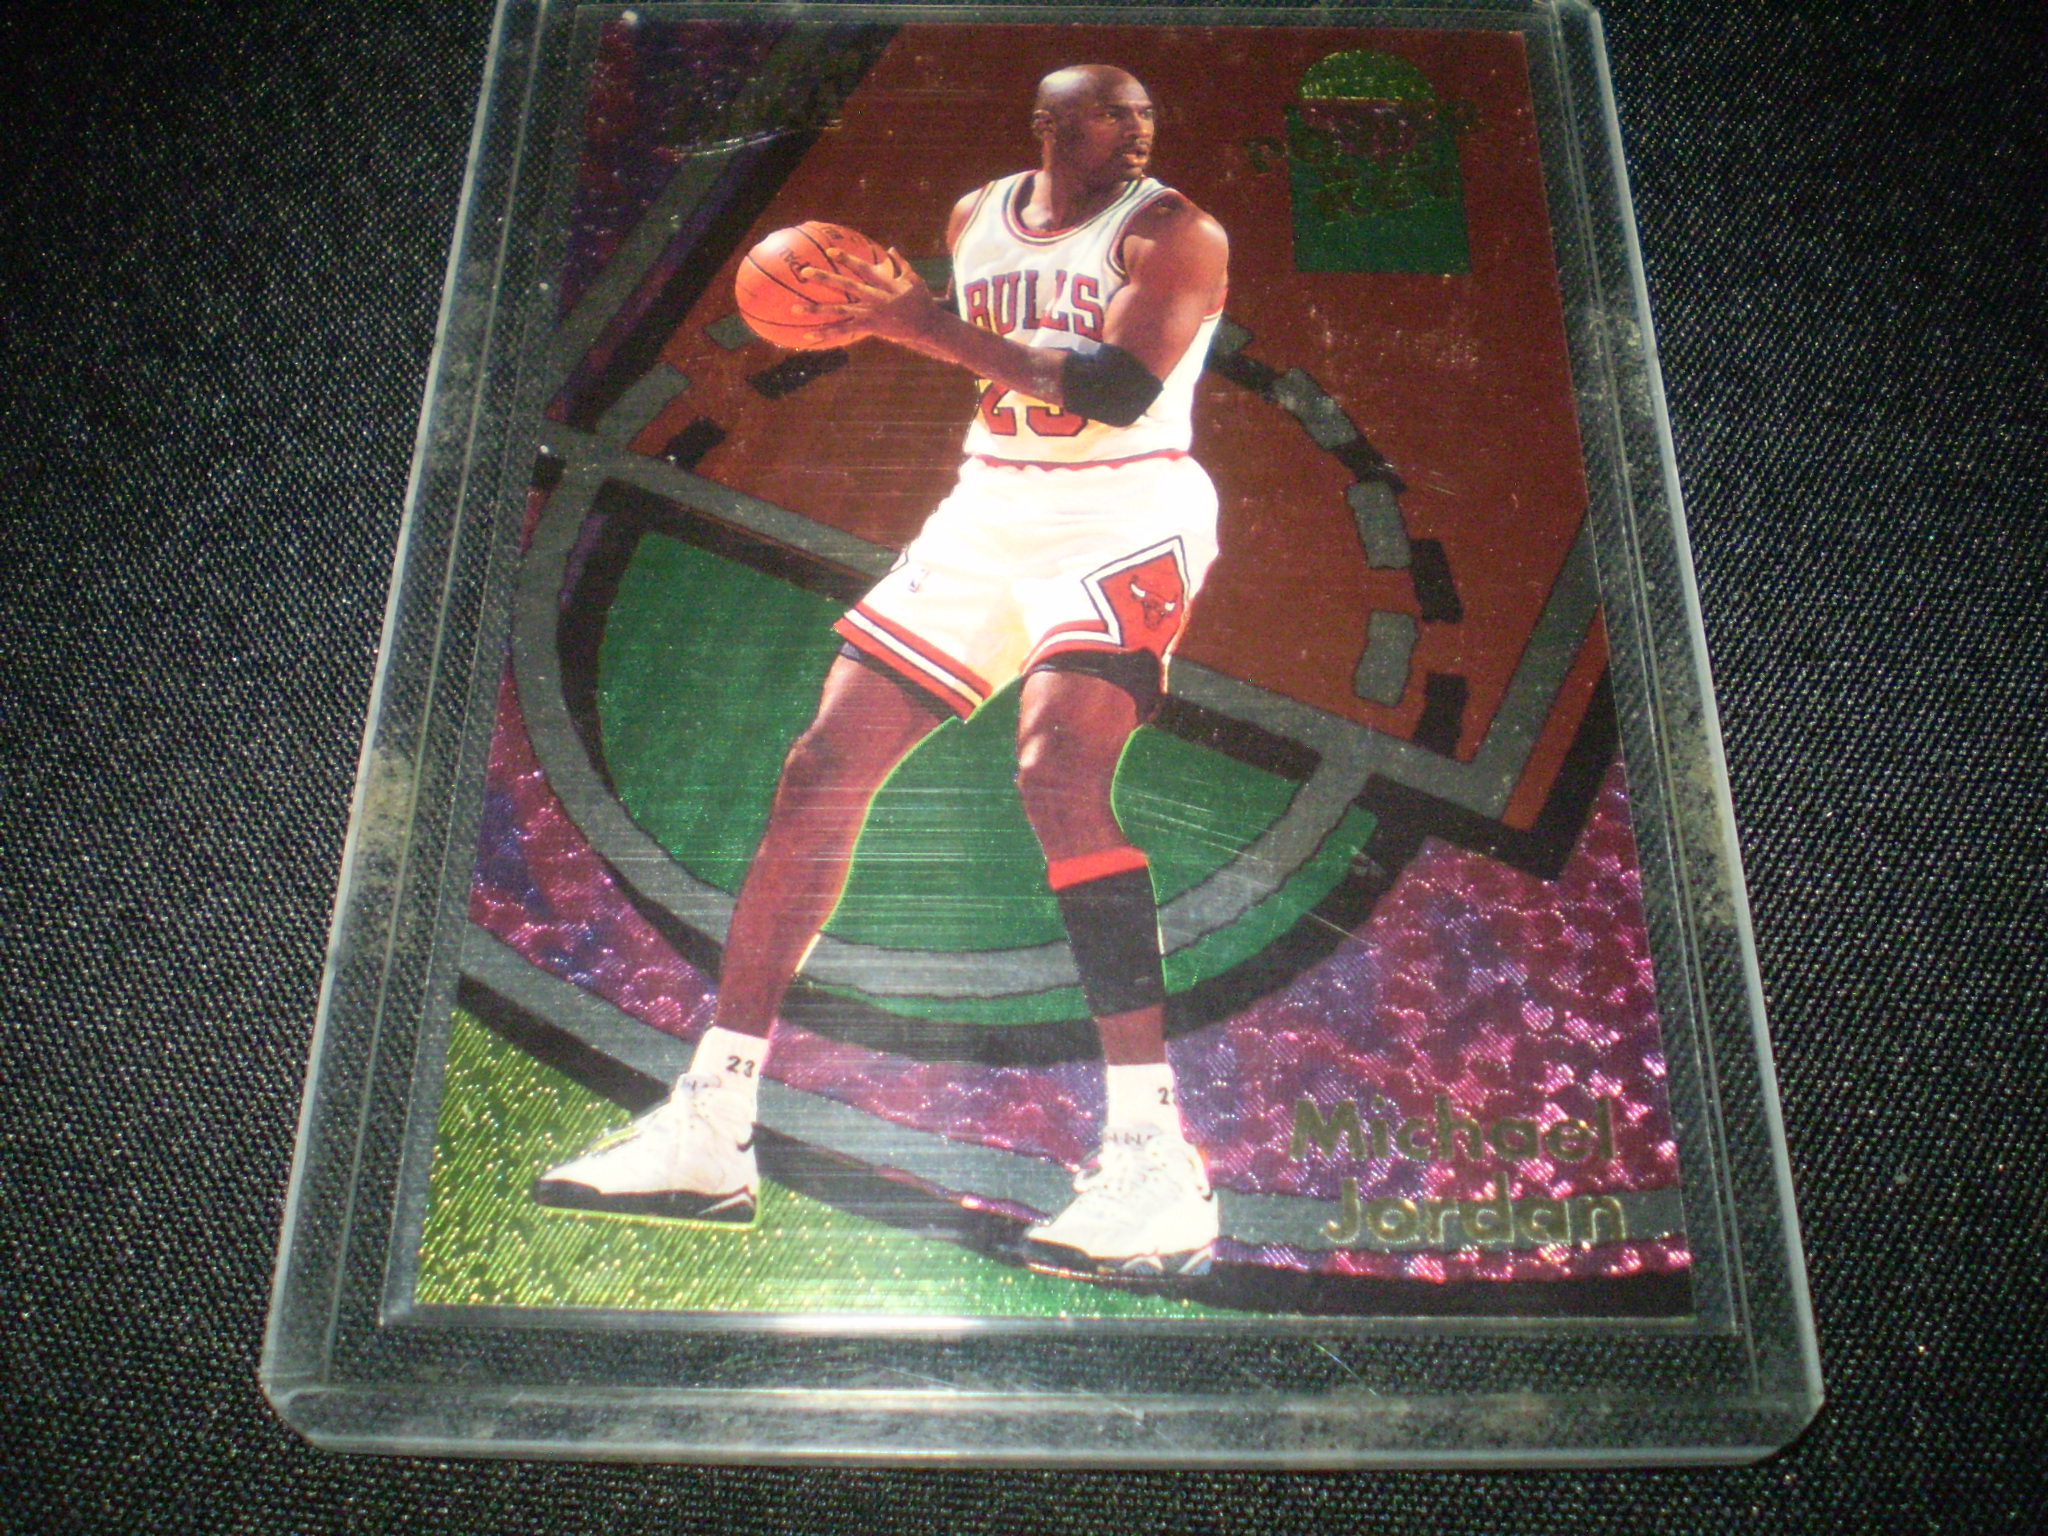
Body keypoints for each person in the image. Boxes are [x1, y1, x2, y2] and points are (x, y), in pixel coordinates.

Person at [536, 64, 1231, 1279]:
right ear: (1046, 126)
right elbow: (999, 361)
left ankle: (1154, 1163)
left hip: (1128, 512)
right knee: (818, 770)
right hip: (990, 507)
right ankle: (711, 1123)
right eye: (1107, 114)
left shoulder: (1175, 231)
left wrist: (918, 325)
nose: (1136, 130)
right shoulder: (975, 216)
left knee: (1057, 773)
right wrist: (872, 314)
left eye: (1142, 113)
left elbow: (1117, 392)